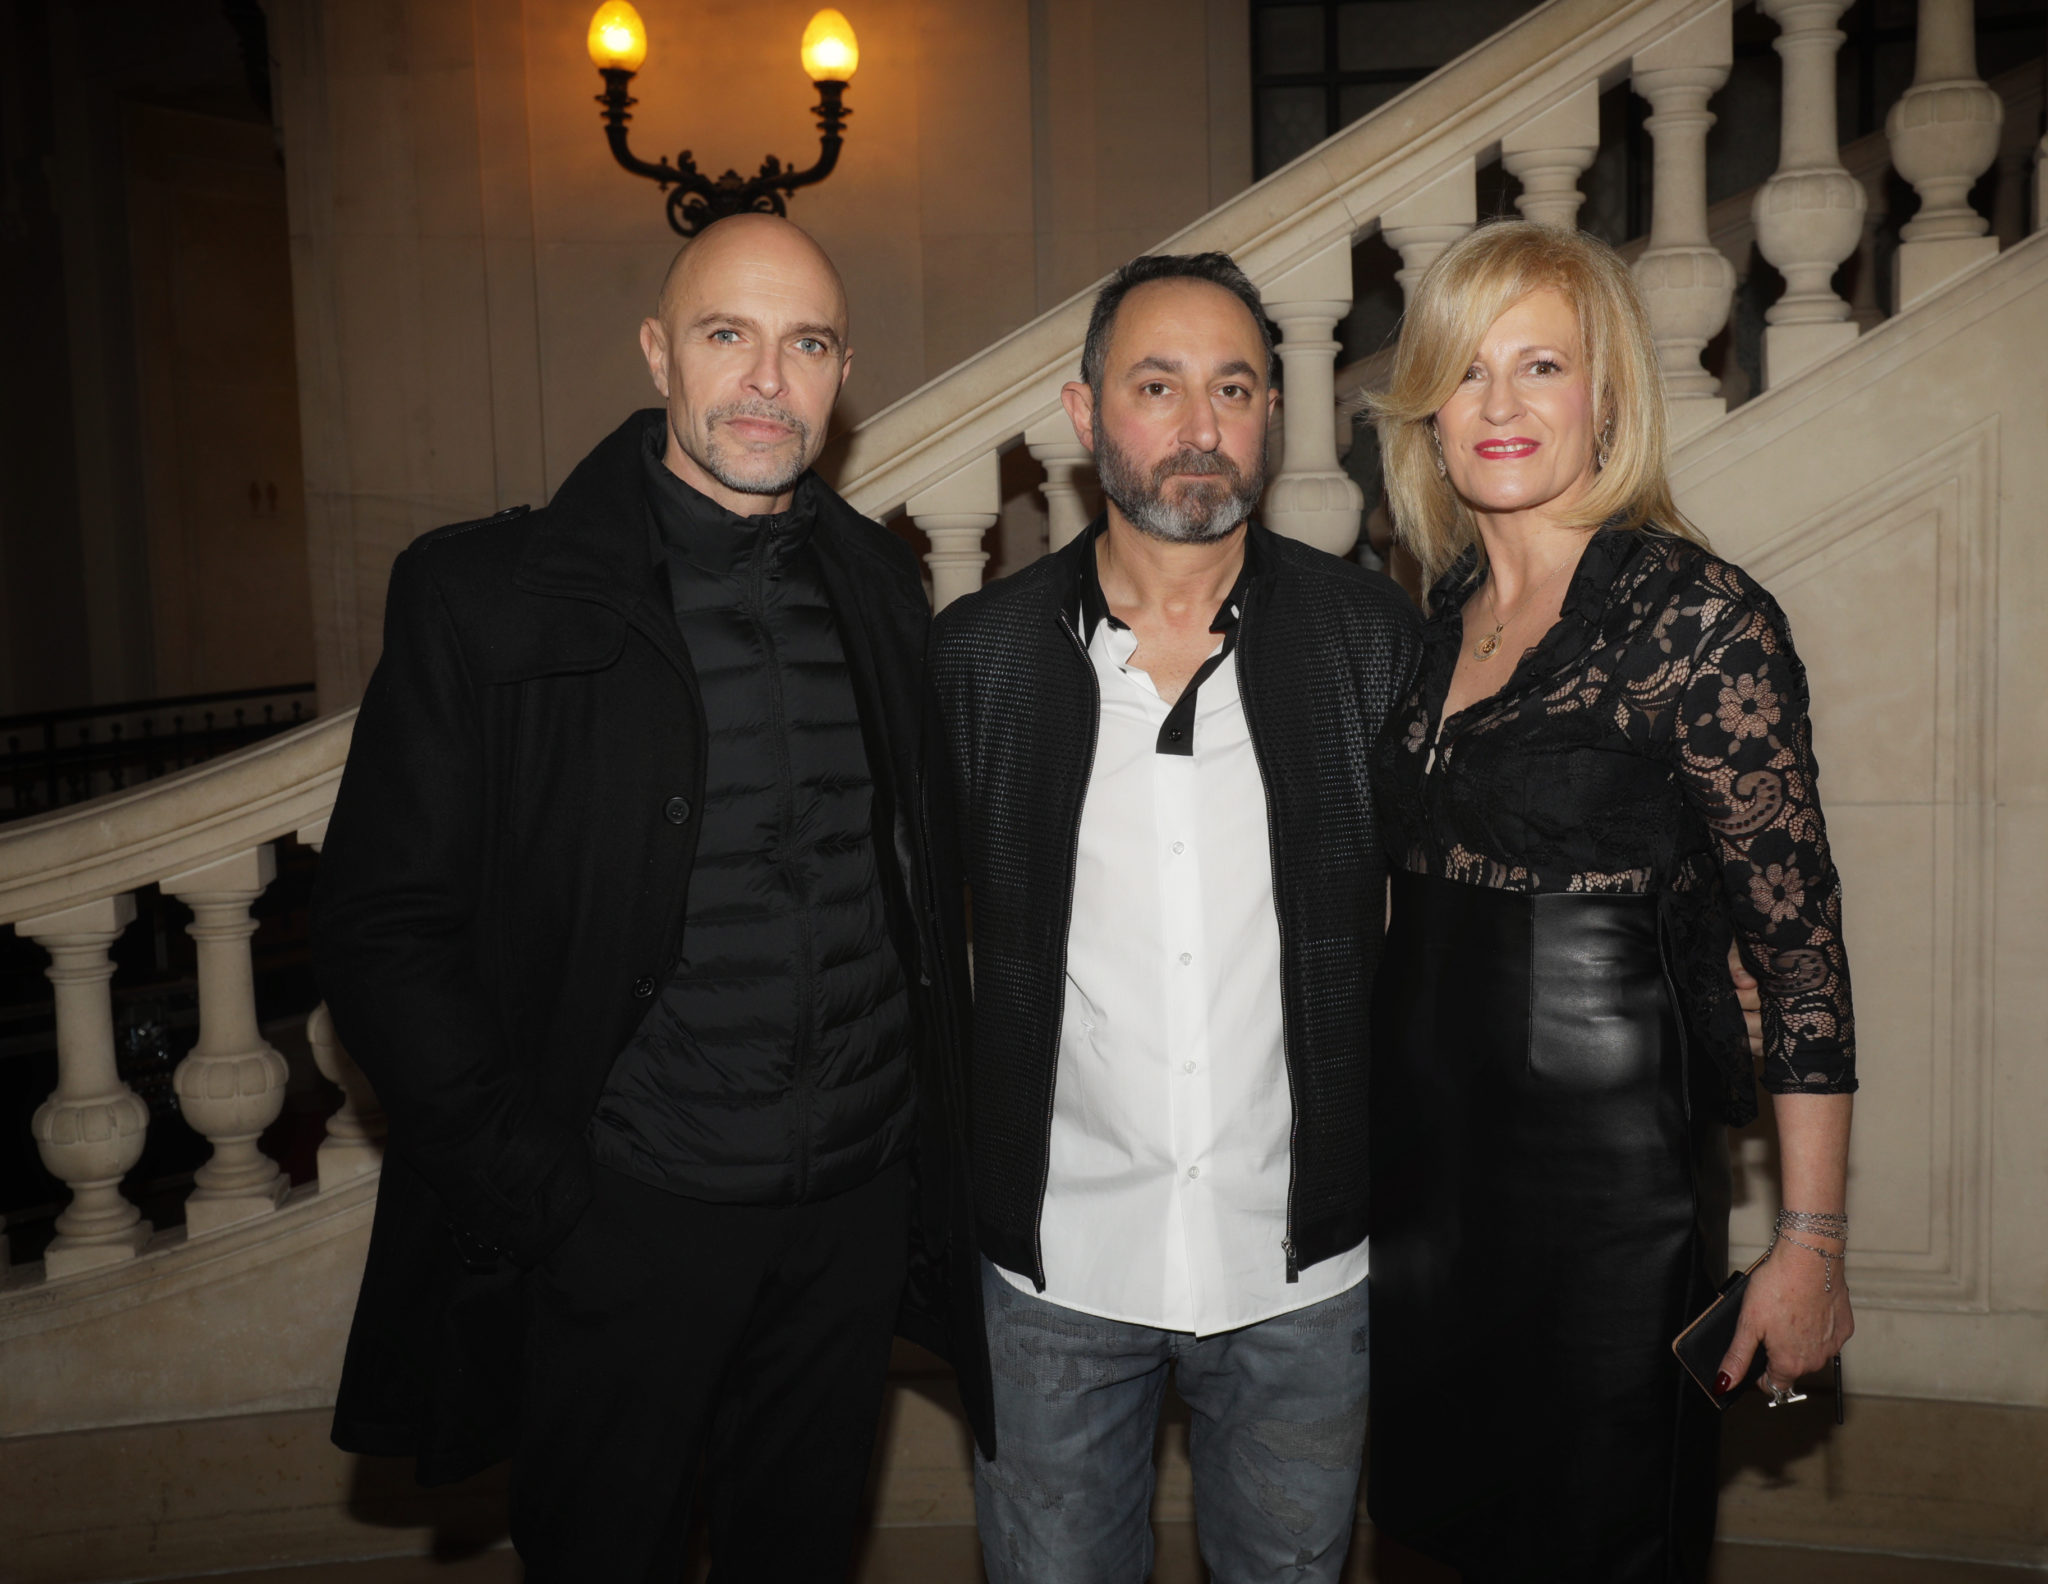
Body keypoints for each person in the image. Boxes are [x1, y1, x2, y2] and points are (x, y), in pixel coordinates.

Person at [313, 213, 988, 1582]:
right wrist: (544, 1199)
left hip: (848, 1217)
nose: (767, 379)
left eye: (806, 344)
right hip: (623, 1220)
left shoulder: (879, 583)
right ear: (658, 355)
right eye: (727, 335)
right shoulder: (485, 595)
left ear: (842, 372)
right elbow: (379, 933)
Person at [1364, 220, 1857, 1582]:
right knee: (1434, 1537)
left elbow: (1802, 962)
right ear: (1428, 413)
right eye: (1468, 371)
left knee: (1602, 1538)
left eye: (1541, 365)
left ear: (1608, 399)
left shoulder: (1699, 622)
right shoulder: (1443, 611)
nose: (1502, 403)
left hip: (1605, 1194)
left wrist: (1810, 1244)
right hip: (1423, 1186)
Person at [930, 252, 1423, 1584]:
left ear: (1272, 413)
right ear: (1084, 416)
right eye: (1158, 387)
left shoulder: (1371, 642)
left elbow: (1461, 912)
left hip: (1301, 1274)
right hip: (1055, 1270)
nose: (1201, 426)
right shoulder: (978, 661)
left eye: (1234, 388)